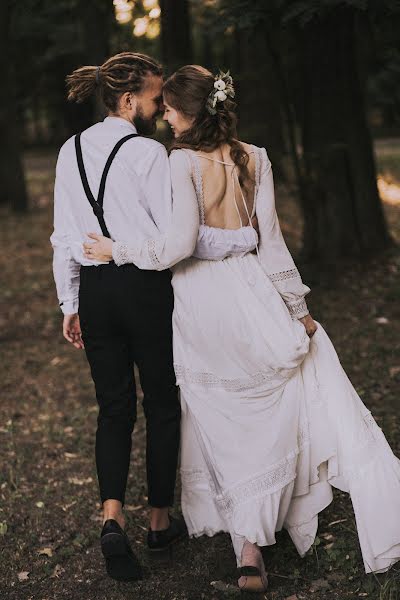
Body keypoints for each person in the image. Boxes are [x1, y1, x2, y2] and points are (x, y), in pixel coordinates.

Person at [83, 65, 400, 593]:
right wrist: (297, 310)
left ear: (188, 111)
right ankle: (251, 546)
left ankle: (248, 547)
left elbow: (176, 247)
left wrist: (115, 249)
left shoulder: (180, 162)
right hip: (253, 294)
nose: (163, 114)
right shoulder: (255, 157)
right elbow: (270, 243)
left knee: (223, 419)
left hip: (203, 301)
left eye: (169, 108)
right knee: (261, 408)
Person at [50, 53, 256, 582]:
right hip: (145, 290)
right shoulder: (149, 153)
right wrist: (244, 240)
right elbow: (177, 241)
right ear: (127, 100)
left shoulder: (68, 151)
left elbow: (64, 238)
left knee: (113, 407)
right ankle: (159, 522)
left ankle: (112, 517)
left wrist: (69, 303)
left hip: (95, 292)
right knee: (163, 402)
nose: (159, 105)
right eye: (154, 96)